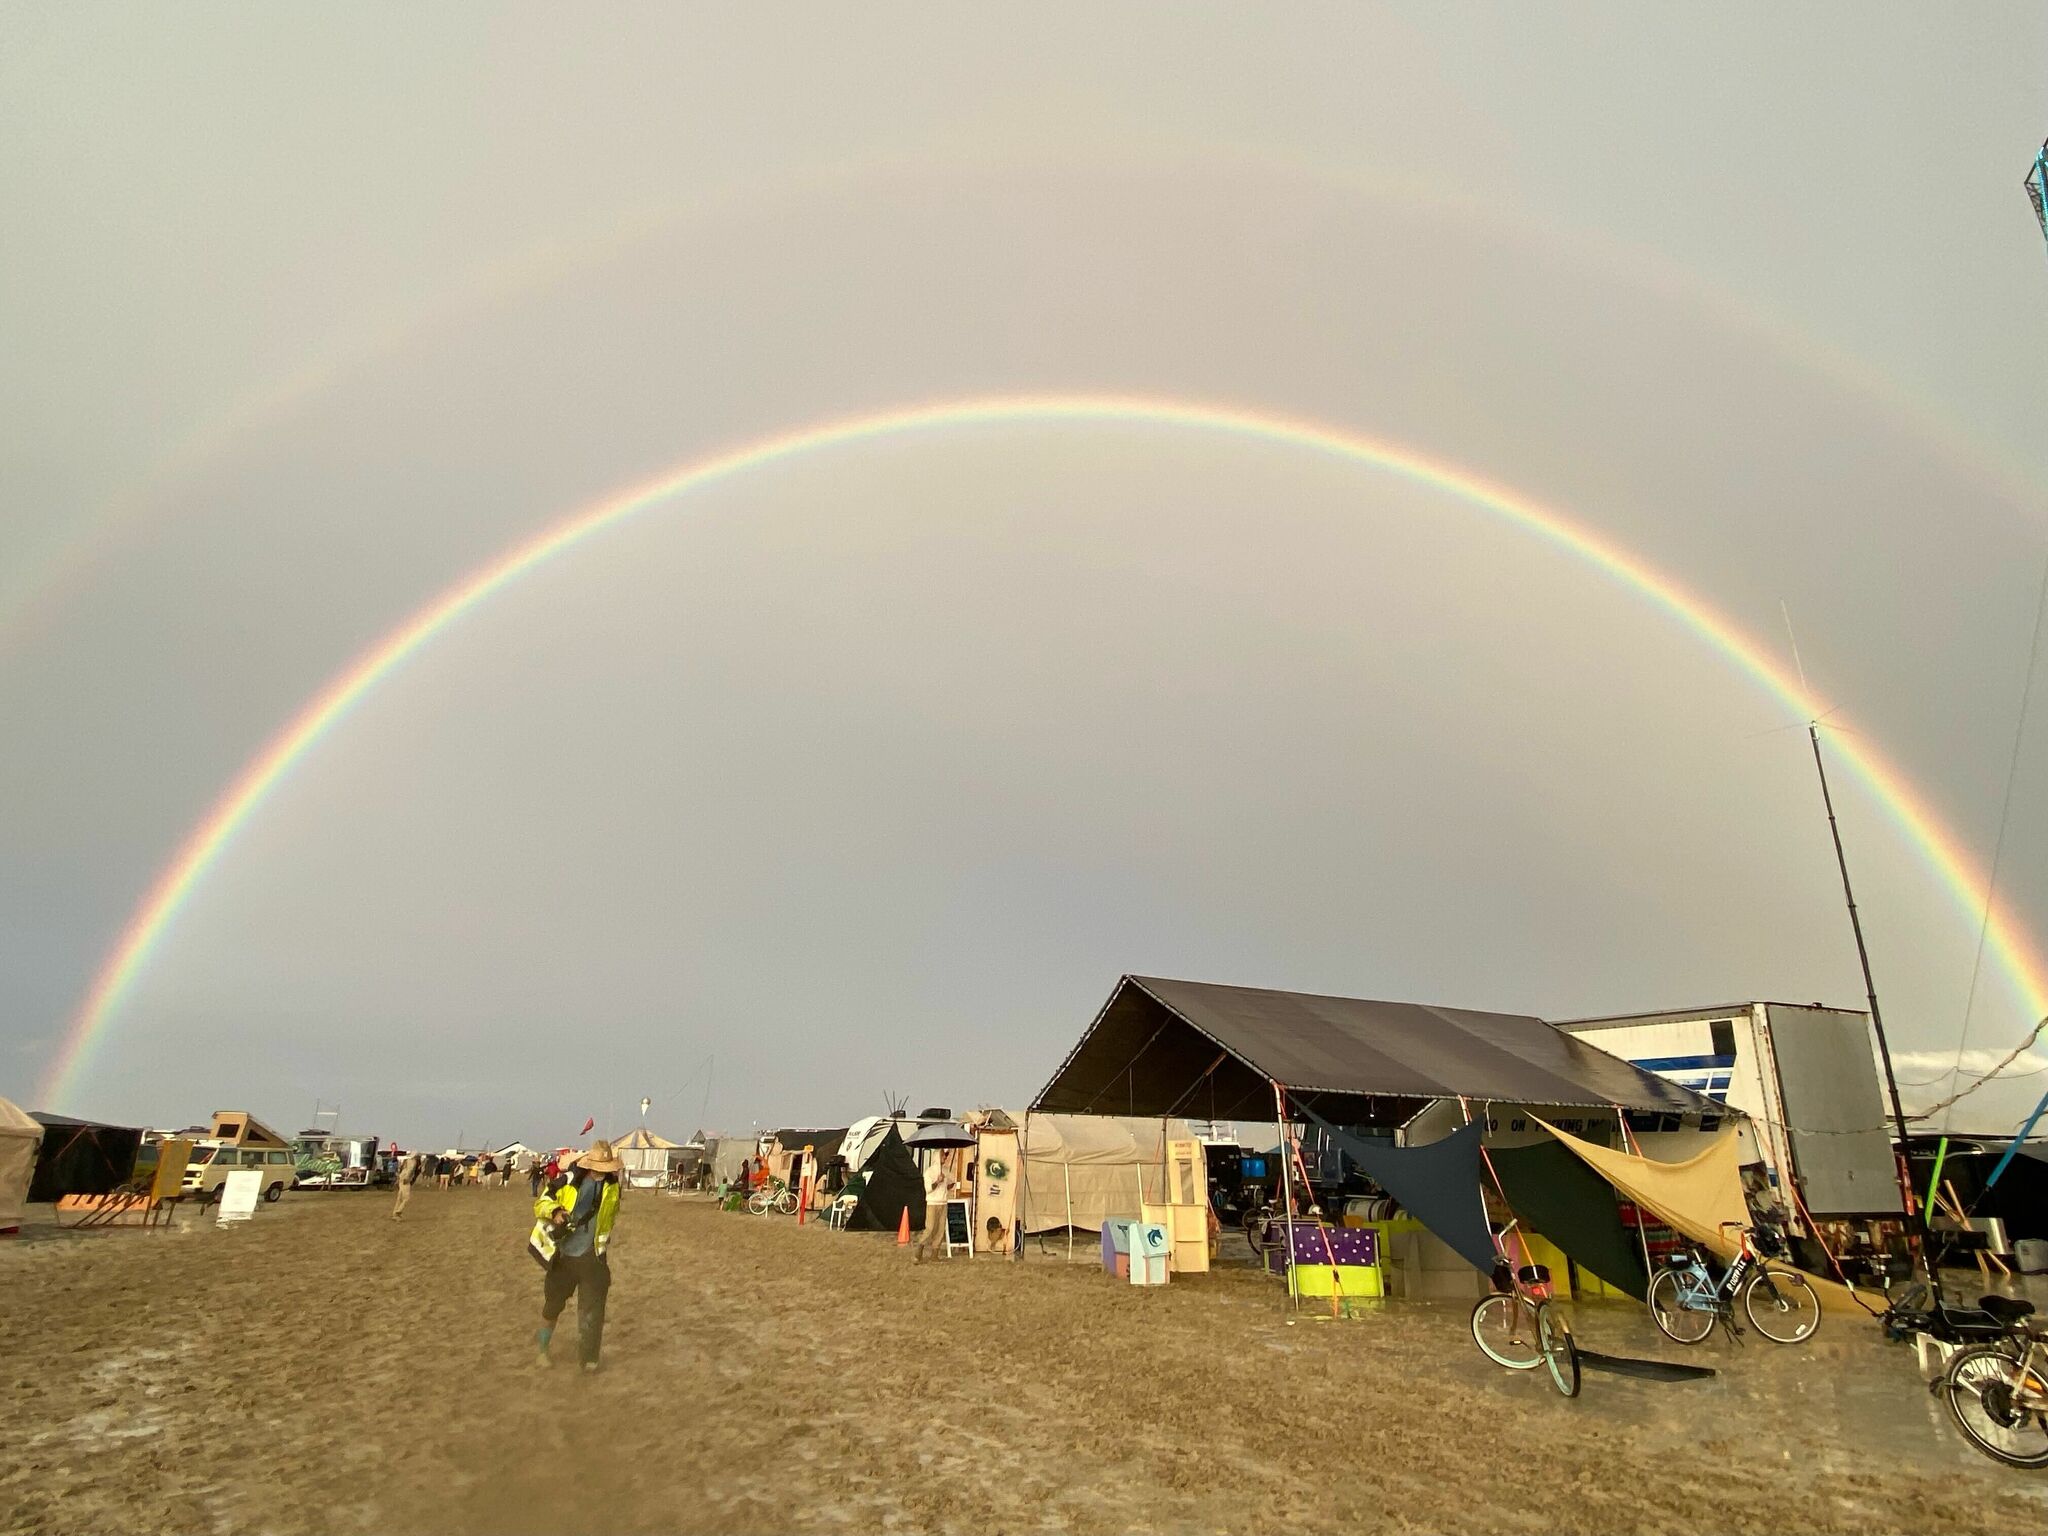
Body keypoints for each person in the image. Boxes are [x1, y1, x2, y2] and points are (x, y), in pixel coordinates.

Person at [534, 1140, 622, 1371]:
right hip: (563, 1255)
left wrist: (602, 1240)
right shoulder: (569, 1180)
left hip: (592, 1256)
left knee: (593, 1311)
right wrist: (555, 1212)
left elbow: (610, 1216)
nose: (602, 1172)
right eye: (598, 1168)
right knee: (552, 1306)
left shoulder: (613, 1186)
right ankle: (542, 1351)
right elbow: (541, 1202)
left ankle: (589, 1360)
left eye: (606, 1168)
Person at [915, 1154, 952, 1264]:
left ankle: (935, 1254)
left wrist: (950, 1184)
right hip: (932, 1203)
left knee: (940, 1229)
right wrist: (937, 1181)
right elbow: (928, 1189)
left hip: (943, 1202)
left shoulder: (946, 1170)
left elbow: (949, 1186)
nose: (945, 1158)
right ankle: (919, 1250)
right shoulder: (929, 1172)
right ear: (937, 1157)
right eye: (943, 1156)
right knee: (930, 1228)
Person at [391, 1152, 422, 1220]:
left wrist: (398, 1179)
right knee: (406, 1198)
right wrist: (407, 1178)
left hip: (401, 1178)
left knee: (399, 1198)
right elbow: (410, 1170)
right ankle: (398, 1211)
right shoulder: (413, 1162)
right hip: (405, 1179)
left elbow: (401, 1170)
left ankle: (394, 1213)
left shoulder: (406, 1161)